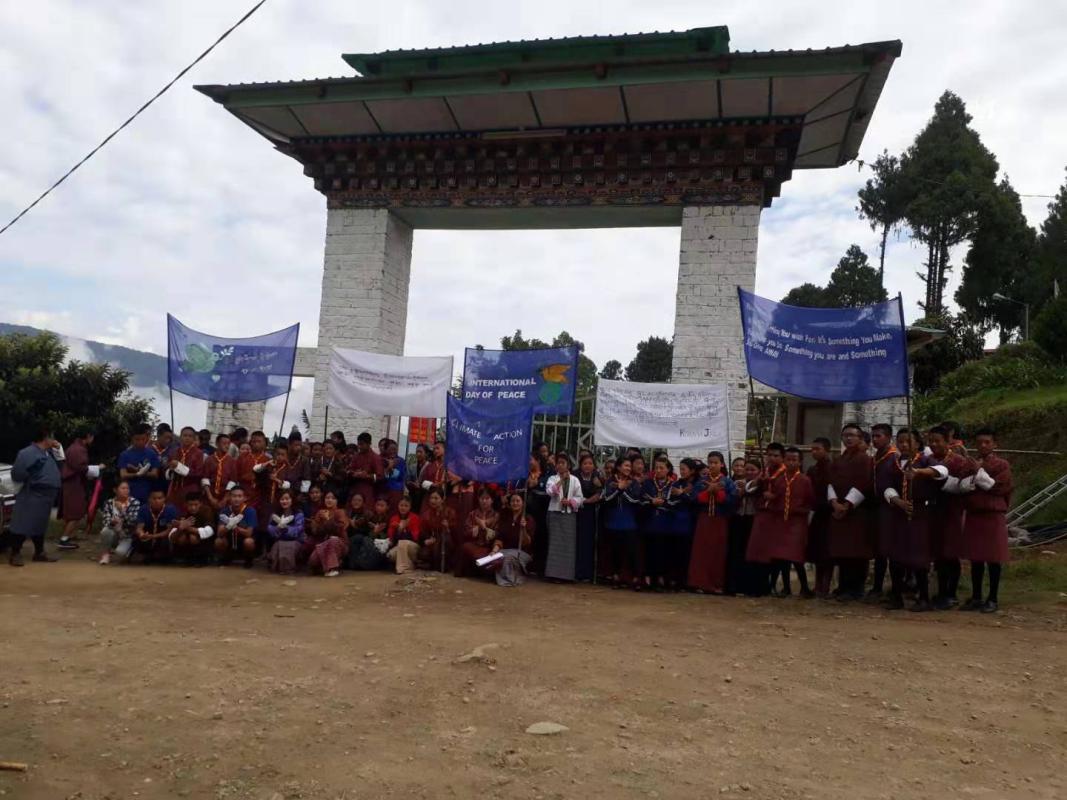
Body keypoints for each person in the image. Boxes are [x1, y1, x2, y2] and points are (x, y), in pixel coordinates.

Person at [960, 428, 1012, 613]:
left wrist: (978, 474)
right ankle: (976, 596)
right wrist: (972, 479)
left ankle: (993, 598)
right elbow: (963, 485)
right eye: (980, 442)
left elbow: (998, 488)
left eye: (987, 442)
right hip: (974, 515)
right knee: (976, 559)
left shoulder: (1002, 465)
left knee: (993, 559)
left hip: (992, 515)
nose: (983, 445)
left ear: (994, 444)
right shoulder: (969, 464)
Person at [883, 428, 932, 612]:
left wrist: (919, 473)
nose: (904, 445)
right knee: (895, 557)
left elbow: (941, 472)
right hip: (899, 514)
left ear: (917, 443)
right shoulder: (893, 464)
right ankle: (896, 596)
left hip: (919, 514)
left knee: (919, 558)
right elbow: (886, 486)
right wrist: (898, 502)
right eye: (901, 441)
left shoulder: (925, 461)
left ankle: (924, 597)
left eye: (908, 441)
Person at [826, 424, 874, 601]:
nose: (848, 438)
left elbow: (864, 483)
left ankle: (856, 588)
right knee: (842, 552)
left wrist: (847, 504)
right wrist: (834, 502)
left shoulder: (865, 460)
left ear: (860, 439)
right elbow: (830, 482)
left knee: (857, 553)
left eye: (852, 435)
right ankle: (843, 586)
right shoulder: (839, 459)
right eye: (845, 435)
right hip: (838, 511)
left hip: (856, 512)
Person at [8, 424, 64, 566]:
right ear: (46, 438)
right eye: (52, 437)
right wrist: (31, 477)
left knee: (40, 525)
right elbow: (17, 474)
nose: (54, 440)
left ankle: (39, 553)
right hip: (32, 493)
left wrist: (58, 449)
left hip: (47, 496)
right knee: (23, 523)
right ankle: (15, 553)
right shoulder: (26, 453)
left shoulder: (48, 452)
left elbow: (62, 462)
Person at [688, 451, 737, 593]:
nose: (713, 465)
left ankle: (716, 584)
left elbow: (732, 502)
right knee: (701, 551)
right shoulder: (702, 480)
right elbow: (694, 499)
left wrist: (718, 492)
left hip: (720, 521)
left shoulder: (727, 482)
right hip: (704, 520)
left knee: (718, 552)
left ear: (722, 464)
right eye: (710, 462)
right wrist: (709, 491)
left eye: (716, 462)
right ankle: (699, 583)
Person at [867, 423, 899, 601]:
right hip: (876, 507)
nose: (875, 440)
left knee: (890, 550)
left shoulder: (893, 457)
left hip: (890, 508)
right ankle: (877, 587)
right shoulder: (875, 457)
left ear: (888, 437)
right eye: (873, 436)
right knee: (879, 550)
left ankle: (895, 589)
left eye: (878, 436)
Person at [601, 457, 644, 590]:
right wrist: (618, 488)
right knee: (615, 551)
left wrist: (622, 489)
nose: (628, 468)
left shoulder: (634, 483)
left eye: (629, 466)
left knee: (632, 552)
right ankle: (615, 576)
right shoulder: (610, 481)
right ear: (619, 467)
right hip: (613, 522)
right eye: (625, 466)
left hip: (629, 522)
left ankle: (636, 578)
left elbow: (635, 500)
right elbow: (606, 498)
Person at [58, 428, 101, 550]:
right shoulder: (79, 449)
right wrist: (98, 468)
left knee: (71, 512)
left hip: (72, 483)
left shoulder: (74, 447)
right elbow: (81, 468)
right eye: (92, 437)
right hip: (74, 484)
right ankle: (64, 539)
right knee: (75, 513)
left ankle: (68, 537)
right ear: (88, 436)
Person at [544, 453, 585, 582]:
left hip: (569, 515)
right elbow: (550, 492)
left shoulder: (575, 479)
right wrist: (561, 480)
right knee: (554, 545)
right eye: (558, 463)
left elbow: (580, 497)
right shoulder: (552, 478)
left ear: (568, 465)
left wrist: (571, 502)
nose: (560, 465)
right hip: (554, 513)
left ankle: (566, 576)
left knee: (568, 546)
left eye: (563, 463)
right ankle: (552, 574)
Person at [666, 458, 703, 590]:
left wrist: (682, 494)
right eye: (680, 469)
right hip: (676, 520)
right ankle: (674, 579)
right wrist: (682, 494)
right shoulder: (678, 483)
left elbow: (695, 501)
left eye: (684, 469)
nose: (681, 472)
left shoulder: (699, 483)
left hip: (690, 521)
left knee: (687, 551)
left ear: (692, 471)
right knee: (675, 551)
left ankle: (685, 580)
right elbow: (670, 499)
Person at [805, 437, 834, 597]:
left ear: (827, 450)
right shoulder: (812, 470)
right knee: (816, 551)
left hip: (829, 513)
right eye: (813, 449)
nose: (814, 452)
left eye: (818, 449)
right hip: (816, 512)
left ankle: (825, 585)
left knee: (827, 552)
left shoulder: (834, 468)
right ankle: (817, 585)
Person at [641, 456, 675, 591]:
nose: (658, 470)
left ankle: (661, 578)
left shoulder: (673, 485)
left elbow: (676, 503)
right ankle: (648, 578)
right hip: (650, 522)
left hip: (666, 523)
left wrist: (664, 503)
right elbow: (641, 500)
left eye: (662, 468)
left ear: (668, 470)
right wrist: (651, 502)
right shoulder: (648, 483)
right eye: (656, 468)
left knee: (663, 551)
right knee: (649, 550)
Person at [488, 492, 535, 586]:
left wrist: (523, 529)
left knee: (507, 559)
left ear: (523, 503)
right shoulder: (506, 517)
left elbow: (527, 542)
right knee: (495, 557)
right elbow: (500, 537)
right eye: (513, 501)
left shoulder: (528, 518)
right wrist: (494, 551)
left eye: (518, 501)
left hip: (522, 552)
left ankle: (509, 581)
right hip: (505, 550)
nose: (515, 503)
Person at [98, 480, 142, 565]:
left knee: (120, 554)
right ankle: (106, 554)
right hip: (114, 533)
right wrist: (112, 522)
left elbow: (133, 522)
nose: (126, 490)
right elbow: (105, 521)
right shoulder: (109, 502)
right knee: (105, 531)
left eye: (128, 488)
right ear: (115, 490)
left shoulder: (134, 502)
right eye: (123, 488)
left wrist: (122, 511)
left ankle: (130, 552)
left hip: (127, 535)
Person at [457, 488, 499, 578]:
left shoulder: (496, 515)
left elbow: (499, 533)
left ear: (492, 500)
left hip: (488, 547)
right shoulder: (473, 514)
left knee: (493, 561)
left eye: (487, 498)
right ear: (478, 499)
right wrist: (475, 529)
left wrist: (489, 531)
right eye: (482, 498)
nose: (484, 501)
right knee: (465, 547)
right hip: (475, 545)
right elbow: (465, 531)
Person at [306, 489, 348, 577]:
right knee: (313, 561)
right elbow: (315, 531)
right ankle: (333, 564)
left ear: (336, 501)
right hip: (322, 543)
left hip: (339, 543)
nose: (329, 500)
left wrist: (328, 519)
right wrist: (318, 521)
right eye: (327, 498)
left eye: (332, 498)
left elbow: (340, 529)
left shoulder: (340, 512)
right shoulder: (320, 513)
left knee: (333, 541)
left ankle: (332, 568)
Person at [117, 423, 162, 506]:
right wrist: (137, 474)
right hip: (130, 494)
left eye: (143, 439)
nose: (140, 442)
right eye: (137, 439)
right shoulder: (125, 455)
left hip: (148, 494)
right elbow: (123, 475)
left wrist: (143, 473)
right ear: (132, 439)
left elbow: (155, 474)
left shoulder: (152, 454)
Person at [575, 453, 603, 581]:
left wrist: (585, 501)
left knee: (588, 542)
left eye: (590, 463)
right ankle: (576, 572)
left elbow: (599, 495)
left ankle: (587, 573)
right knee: (576, 542)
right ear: (580, 465)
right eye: (585, 463)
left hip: (590, 512)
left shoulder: (597, 477)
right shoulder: (575, 476)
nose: (587, 466)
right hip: (576, 511)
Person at [164, 426, 205, 514]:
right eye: (185, 435)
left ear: (194, 439)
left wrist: (179, 467)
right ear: (181, 437)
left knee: (188, 513)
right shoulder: (174, 451)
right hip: (174, 488)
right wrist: (170, 470)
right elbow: (167, 471)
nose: (187, 438)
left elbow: (198, 473)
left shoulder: (198, 453)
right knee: (172, 513)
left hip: (190, 488)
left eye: (190, 436)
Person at [215, 485, 257, 568]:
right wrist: (228, 526)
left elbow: (249, 533)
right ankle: (225, 558)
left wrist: (235, 527)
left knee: (249, 542)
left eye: (239, 496)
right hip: (229, 540)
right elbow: (219, 533)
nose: (236, 499)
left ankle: (248, 560)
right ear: (230, 497)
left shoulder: (250, 511)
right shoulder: (224, 511)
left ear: (244, 498)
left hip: (243, 541)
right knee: (218, 541)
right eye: (234, 496)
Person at [134, 489, 180, 563]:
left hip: (163, 536)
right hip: (148, 534)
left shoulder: (170, 509)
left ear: (164, 499)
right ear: (149, 499)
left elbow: (169, 530)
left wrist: (152, 536)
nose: (157, 501)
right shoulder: (143, 509)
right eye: (154, 498)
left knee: (169, 538)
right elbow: (139, 527)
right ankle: (144, 554)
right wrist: (141, 534)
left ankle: (167, 556)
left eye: (159, 498)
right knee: (137, 537)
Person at [266, 489, 306, 574]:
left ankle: (289, 568)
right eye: (282, 499)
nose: (284, 501)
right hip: (280, 540)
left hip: (296, 541)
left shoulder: (298, 514)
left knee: (288, 547)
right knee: (278, 546)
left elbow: (298, 530)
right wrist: (277, 528)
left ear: (292, 500)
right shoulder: (275, 514)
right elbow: (270, 528)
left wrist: (286, 528)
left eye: (287, 499)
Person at [346, 493, 387, 571]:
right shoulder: (347, 513)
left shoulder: (368, 514)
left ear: (363, 503)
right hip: (349, 540)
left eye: (359, 500)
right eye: (354, 500)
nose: (356, 502)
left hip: (366, 541)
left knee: (358, 538)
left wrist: (355, 526)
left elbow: (368, 532)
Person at [172, 491, 216, 562]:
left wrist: (187, 528)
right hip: (187, 541)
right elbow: (172, 537)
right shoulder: (183, 513)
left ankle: (201, 558)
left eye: (196, 505)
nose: (193, 508)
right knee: (181, 538)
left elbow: (210, 531)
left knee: (193, 537)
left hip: (203, 542)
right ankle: (187, 558)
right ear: (185, 504)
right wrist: (180, 528)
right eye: (190, 505)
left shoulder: (206, 511)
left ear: (200, 504)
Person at [419, 487, 456, 570]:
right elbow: (423, 532)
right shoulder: (427, 514)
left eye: (436, 498)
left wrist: (447, 527)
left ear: (443, 499)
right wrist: (427, 540)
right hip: (433, 541)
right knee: (423, 553)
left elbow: (455, 533)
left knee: (443, 542)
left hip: (446, 541)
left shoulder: (450, 512)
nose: (433, 501)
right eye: (431, 498)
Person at [386, 495, 422, 574]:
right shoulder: (394, 518)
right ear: (398, 506)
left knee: (403, 543)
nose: (403, 508)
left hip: (412, 546)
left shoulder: (415, 518)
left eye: (406, 506)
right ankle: (411, 565)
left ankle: (402, 569)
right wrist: (399, 530)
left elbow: (415, 538)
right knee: (391, 555)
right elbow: (391, 539)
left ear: (410, 507)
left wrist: (405, 530)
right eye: (401, 505)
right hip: (398, 546)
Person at [347, 432, 382, 508]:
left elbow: (380, 477)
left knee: (366, 510)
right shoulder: (356, 456)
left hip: (368, 490)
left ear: (369, 443)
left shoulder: (375, 458)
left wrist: (367, 476)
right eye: (358, 444)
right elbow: (349, 471)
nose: (359, 447)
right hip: (355, 488)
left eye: (362, 444)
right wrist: (354, 473)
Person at [202, 433, 235, 511]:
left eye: (228, 444)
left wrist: (225, 499)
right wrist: (210, 498)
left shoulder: (232, 461)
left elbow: (233, 481)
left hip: (225, 496)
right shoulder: (209, 459)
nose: (227, 446)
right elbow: (205, 479)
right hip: (210, 495)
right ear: (217, 444)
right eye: (224, 443)